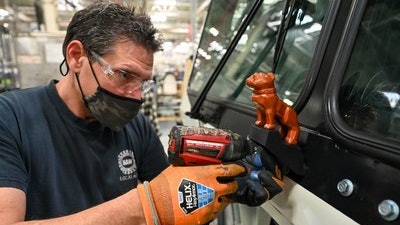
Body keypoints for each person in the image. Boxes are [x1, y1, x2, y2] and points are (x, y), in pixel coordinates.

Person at [0, 2, 284, 225]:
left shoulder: (135, 127)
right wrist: (146, 205)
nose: (136, 95)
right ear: (76, 57)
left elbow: (176, 199)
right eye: (124, 75)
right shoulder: (10, 118)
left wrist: (224, 189)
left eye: (143, 82)